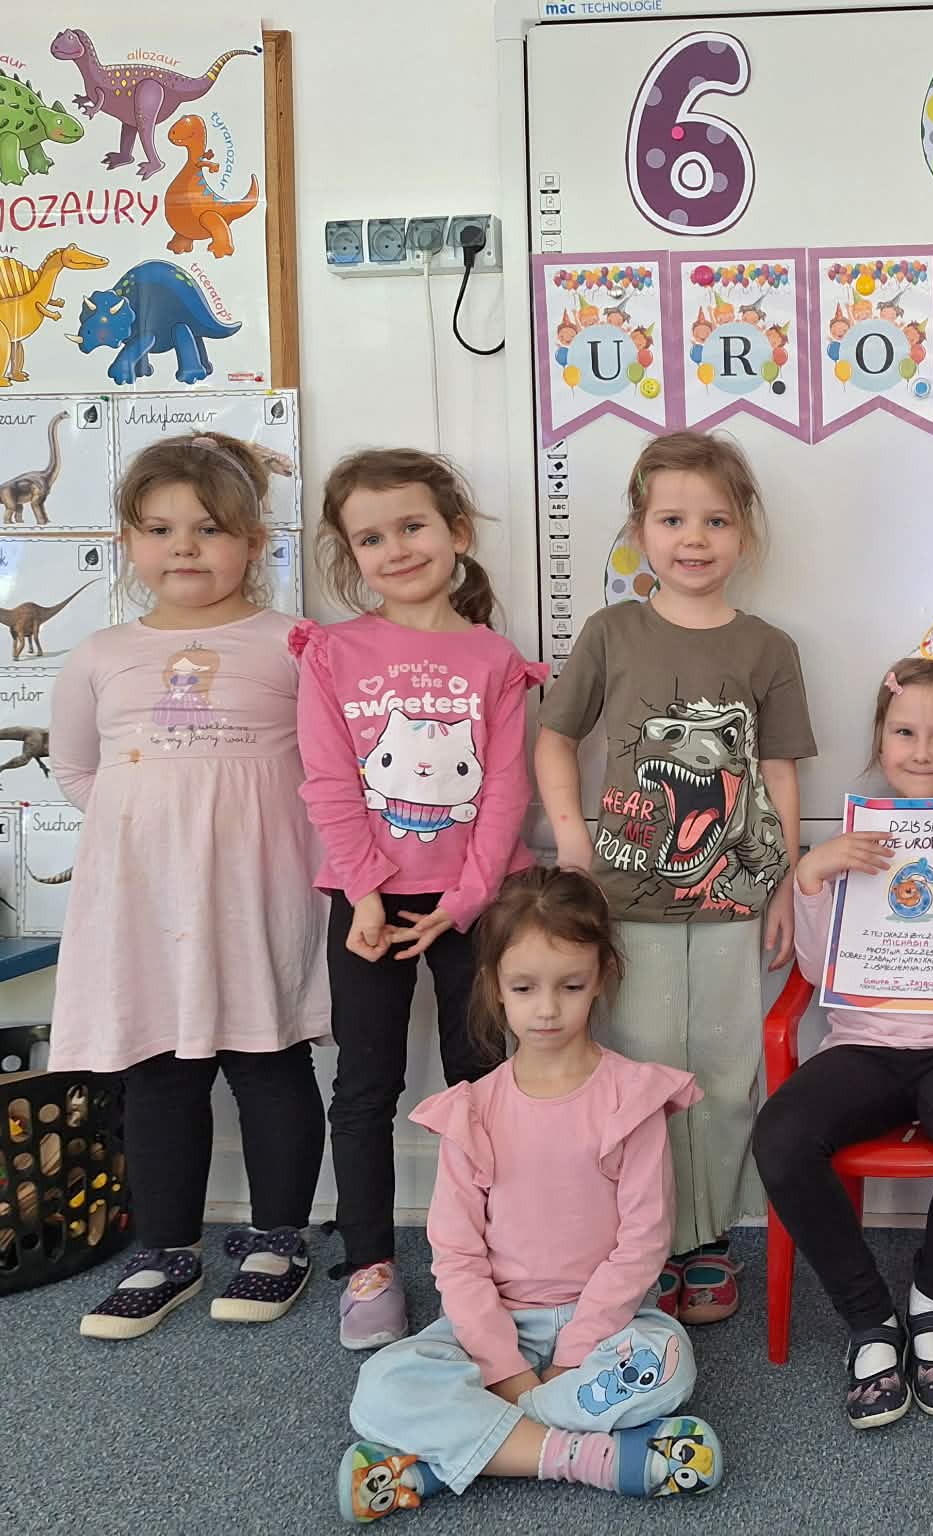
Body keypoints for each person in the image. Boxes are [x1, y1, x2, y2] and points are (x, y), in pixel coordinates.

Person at [338, 867, 723, 1521]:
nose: (547, 1009)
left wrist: (572, 1357)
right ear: (494, 986)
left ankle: (444, 1461)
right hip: (496, 1324)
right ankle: (589, 1457)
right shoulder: (472, 1111)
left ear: (601, 977)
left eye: (570, 986)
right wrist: (504, 1367)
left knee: (668, 1364)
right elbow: (457, 1256)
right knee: (380, 1386)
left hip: (608, 1326)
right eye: (524, 988)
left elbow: (643, 1242)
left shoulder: (632, 1099)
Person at [536, 431, 814, 1325]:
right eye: (672, 520)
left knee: (725, 1077)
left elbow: (778, 772)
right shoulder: (612, 632)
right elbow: (554, 737)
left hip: (732, 903)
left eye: (716, 521)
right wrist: (572, 841)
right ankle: (645, 1240)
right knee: (638, 1074)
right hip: (623, 903)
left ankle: (709, 1241)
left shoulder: (768, 646)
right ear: (639, 531)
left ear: (745, 534)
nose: (694, 538)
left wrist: (783, 883)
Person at [53, 433, 327, 1338]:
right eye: (160, 529)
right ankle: (165, 1251)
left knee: (270, 1059)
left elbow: (328, 771)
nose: (185, 547)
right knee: (160, 1073)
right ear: (128, 542)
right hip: (144, 903)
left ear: (252, 541)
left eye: (209, 529)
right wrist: (156, 830)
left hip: (256, 895)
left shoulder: (294, 644)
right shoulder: (99, 654)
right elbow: (80, 772)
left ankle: (279, 1239)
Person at [295, 448, 547, 1348]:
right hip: (366, 904)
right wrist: (366, 891)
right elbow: (328, 780)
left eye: (413, 526)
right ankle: (369, 1262)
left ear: (457, 534)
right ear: (350, 553)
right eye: (372, 538)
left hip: (475, 904)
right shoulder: (332, 652)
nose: (396, 548)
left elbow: (507, 789)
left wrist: (469, 899)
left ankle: (490, 1254)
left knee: (482, 1078)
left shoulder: (494, 659)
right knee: (366, 1084)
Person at [754, 637, 933, 1428]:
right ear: (880, 740)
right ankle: (869, 1317)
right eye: (904, 732)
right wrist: (812, 877)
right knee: (781, 1135)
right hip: (863, 1044)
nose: (921, 750)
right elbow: (818, 969)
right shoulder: (849, 842)